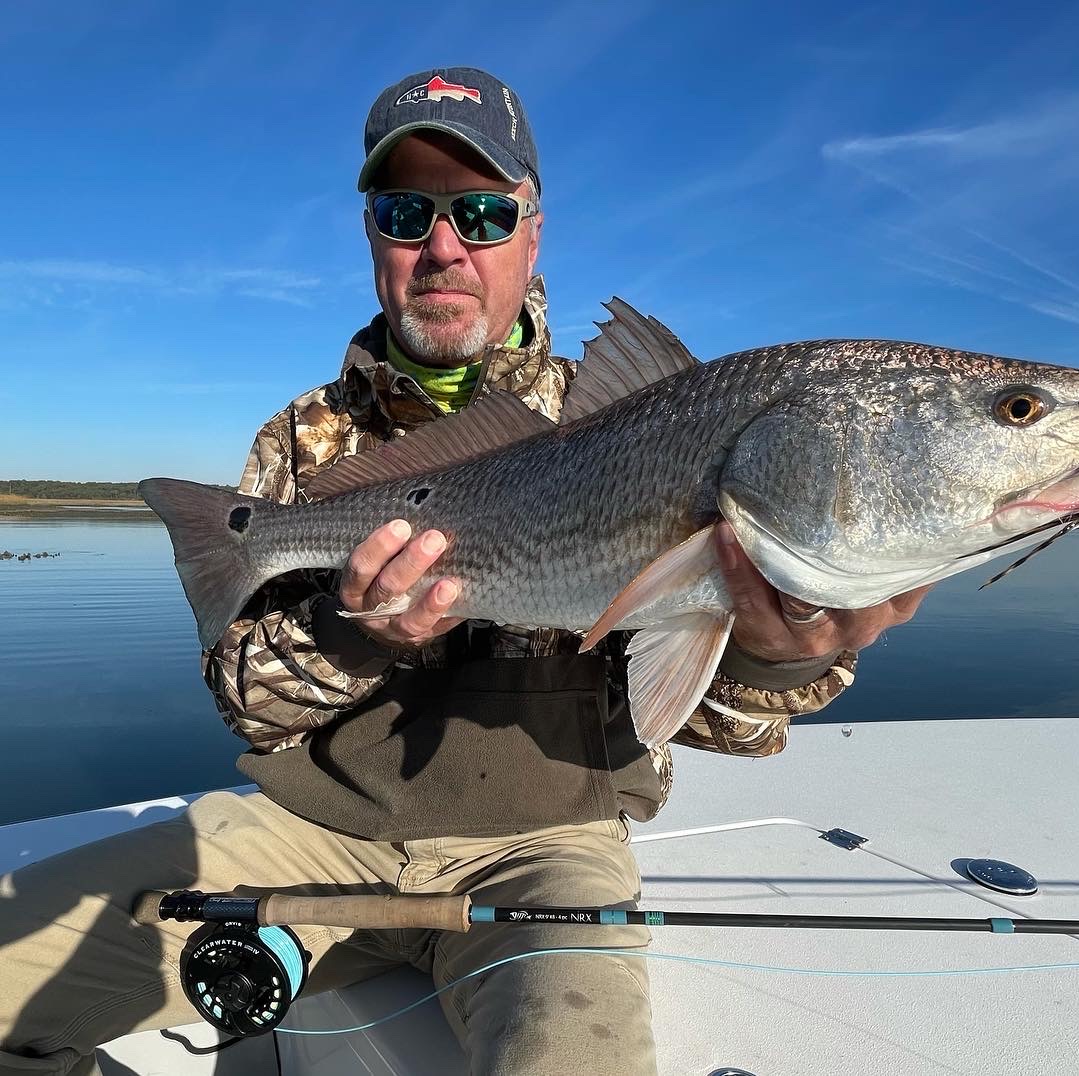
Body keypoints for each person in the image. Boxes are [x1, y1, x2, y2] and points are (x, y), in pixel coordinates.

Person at [0, 66, 931, 1075]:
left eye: (482, 212)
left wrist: (780, 652)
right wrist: (351, 630)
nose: (444, 245)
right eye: (408, 211)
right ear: (372, 237)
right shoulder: (306, 441)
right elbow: (247, 702)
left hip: (547, 849)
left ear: (533, 231)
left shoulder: (647, 416)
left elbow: (713, 721)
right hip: (313, 832)